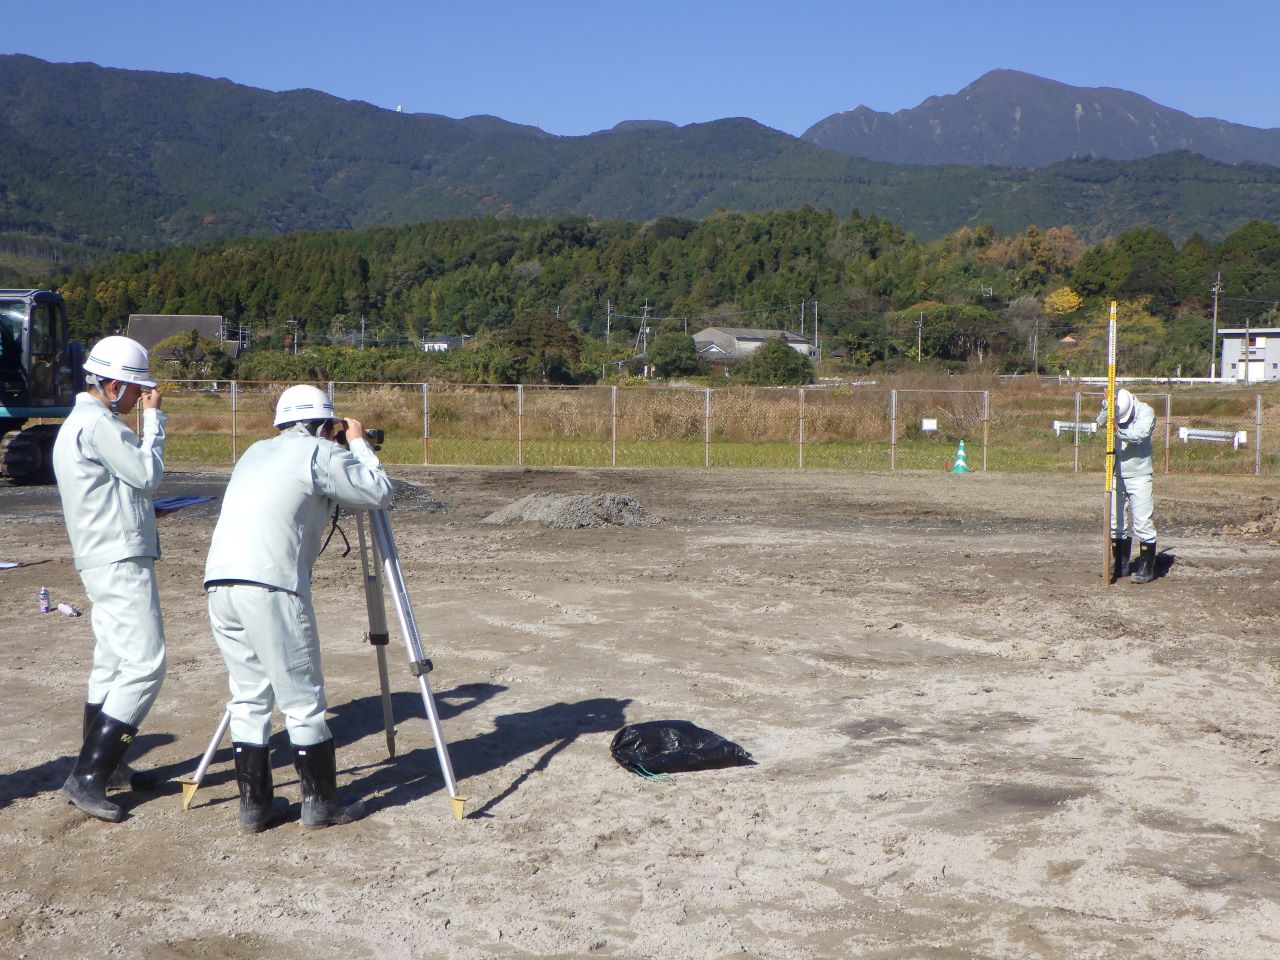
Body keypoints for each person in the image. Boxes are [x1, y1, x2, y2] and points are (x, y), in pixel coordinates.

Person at [203, 384, 394, 832]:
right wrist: (359, 443)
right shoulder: (319, 453)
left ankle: (254, 807)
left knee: (248, 697)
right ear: (324, 425)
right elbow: (377, 491)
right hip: (271, 586)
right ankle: (321, 804)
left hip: (221, 583)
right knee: (303, 701)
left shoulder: (254, 452)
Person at [52, 335, 167, 822]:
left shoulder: (75, 423)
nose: (137, 398)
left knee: (113, 661)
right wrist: (154, 421)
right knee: (145, 663)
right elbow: (148, 474)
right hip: (119, 557)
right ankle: (89, 776)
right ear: (113, 384)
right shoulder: (100, 425)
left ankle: (108, 767)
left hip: (97, 556)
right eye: (135, 390)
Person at [1097, 388, 1158, 584]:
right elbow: (1099, 422)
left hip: (1139, 475)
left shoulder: (1146, 412)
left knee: (1142, 522)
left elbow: (1138, 435)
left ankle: (1147, 568)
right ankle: (1120, 564)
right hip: (1115, 473)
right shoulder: (1113, 406)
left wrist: (1118, 430)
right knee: (1116, 524)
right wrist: (1107, 408)